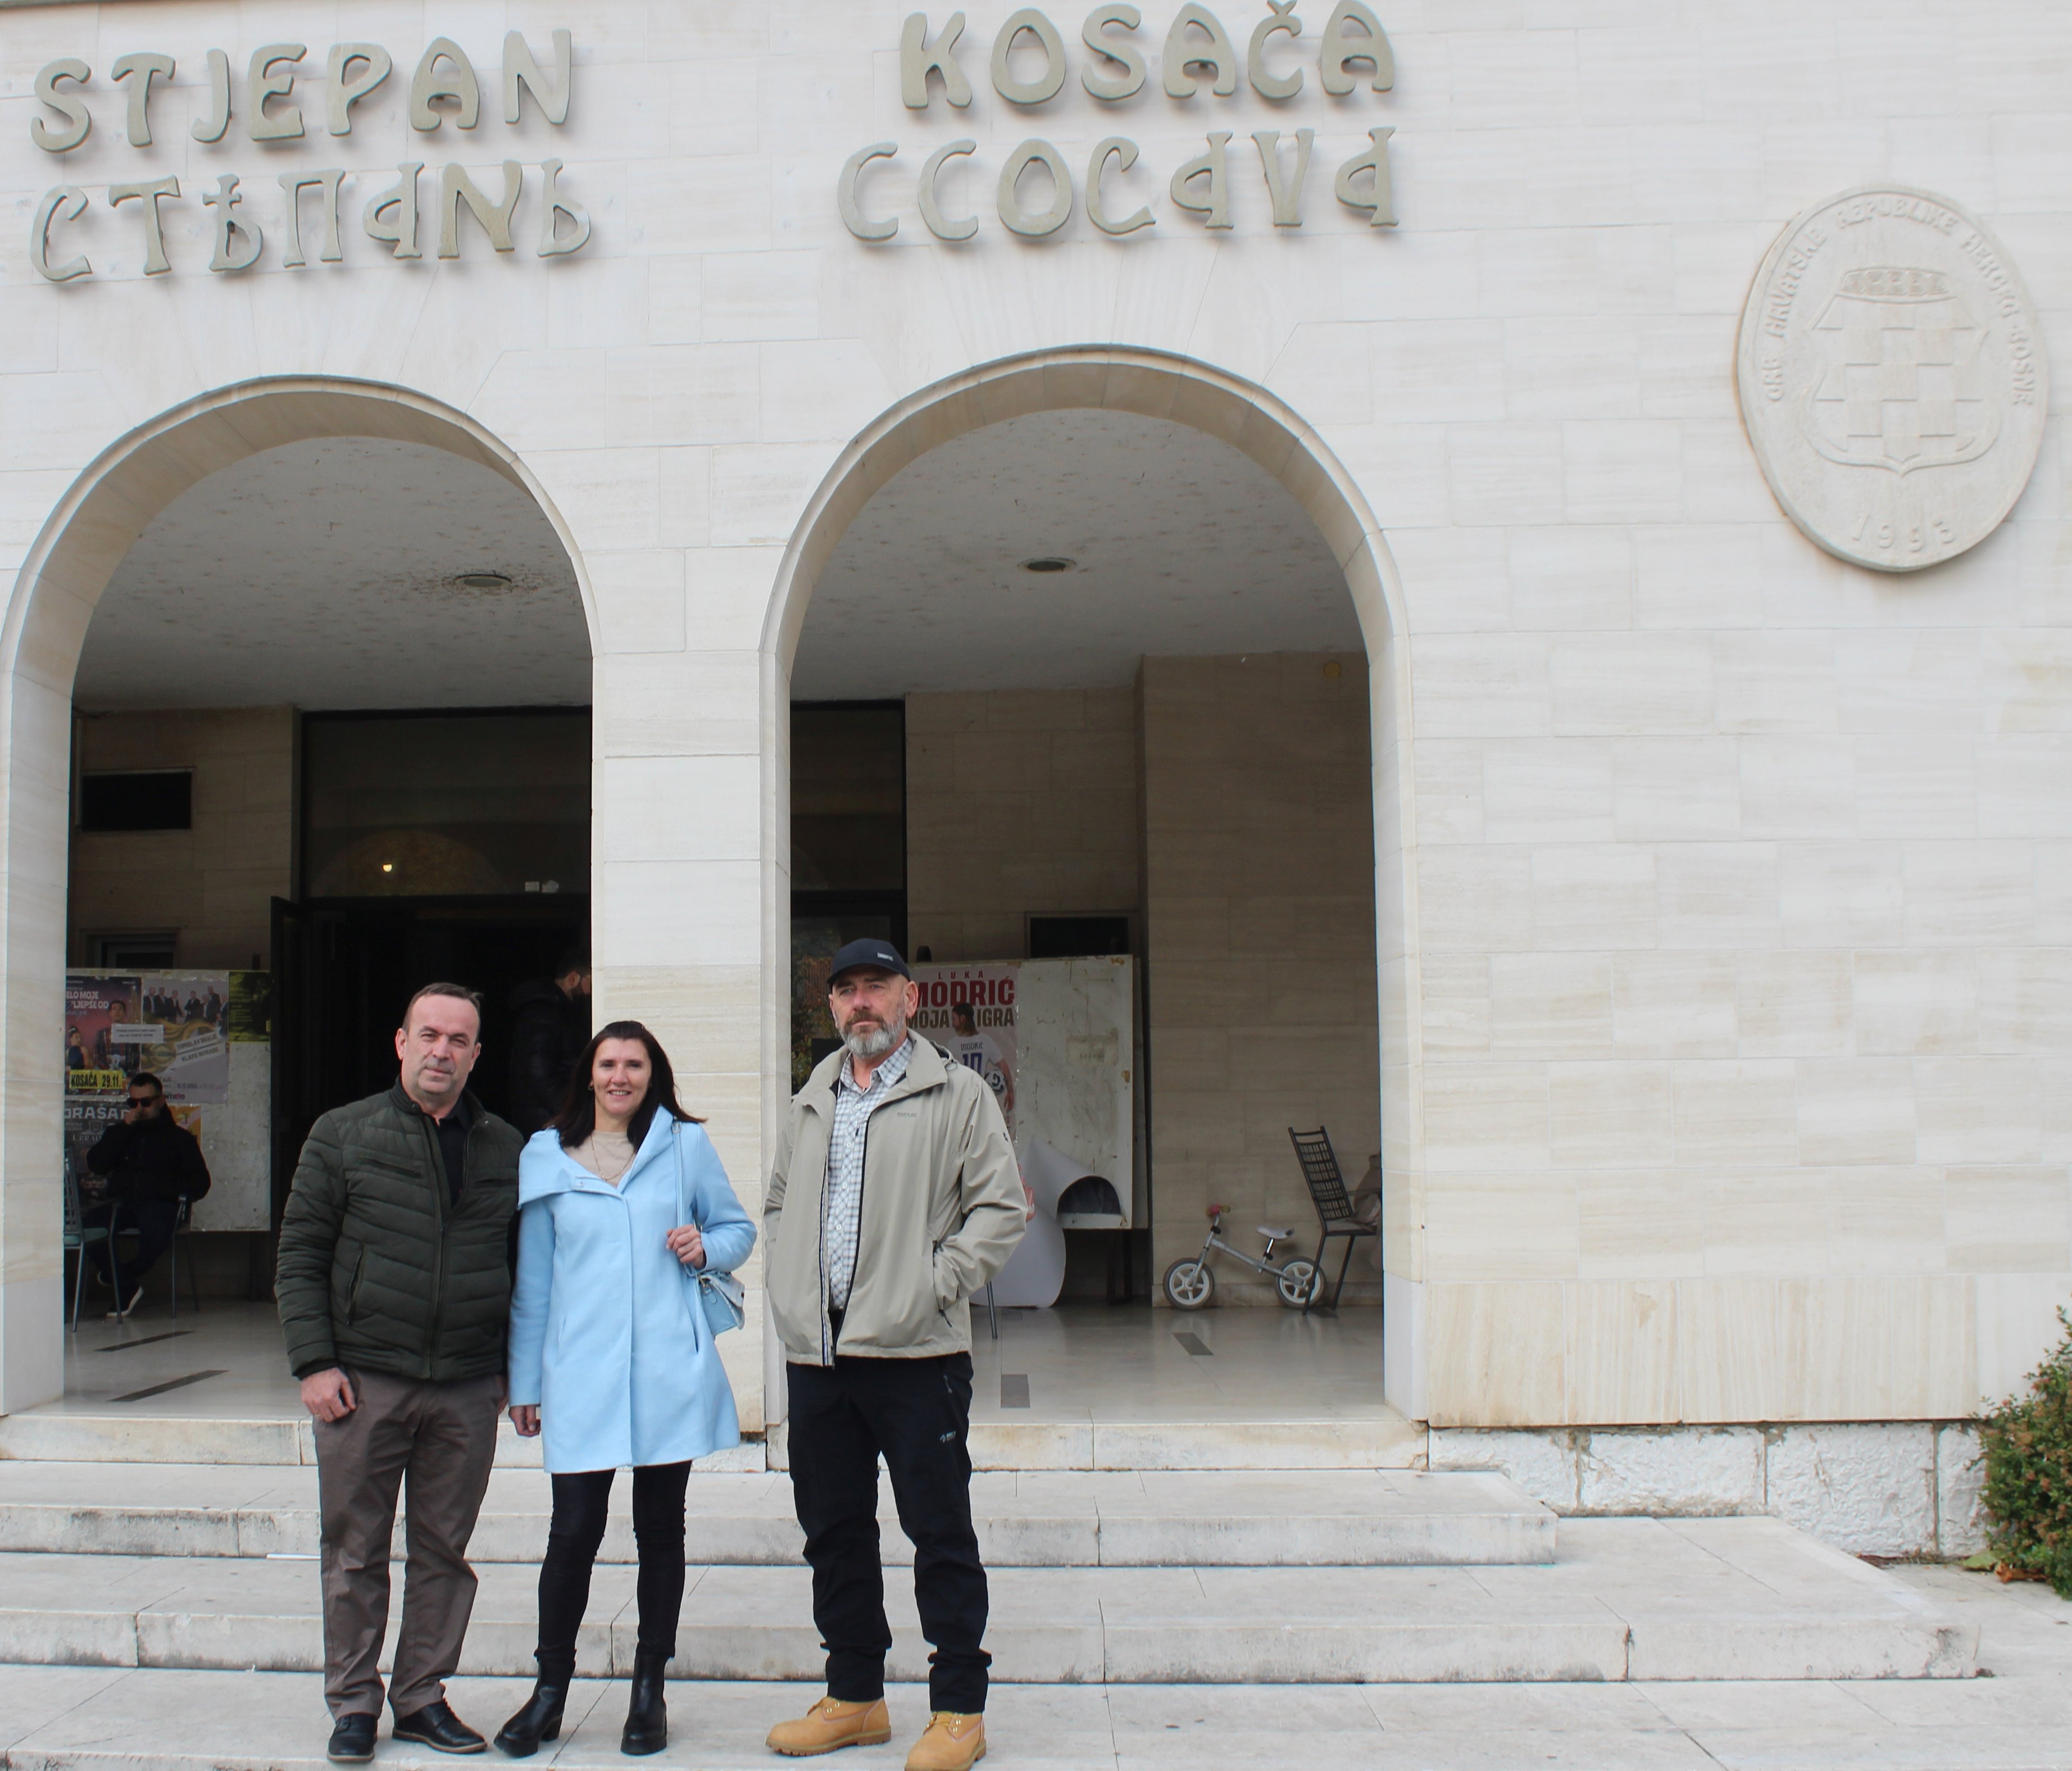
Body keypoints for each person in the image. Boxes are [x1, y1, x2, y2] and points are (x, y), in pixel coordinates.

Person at [762, 939, 1025, 1771]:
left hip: (917, 1354)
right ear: (831, 1006)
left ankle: (959, 1709)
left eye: (876, 986)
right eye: (846, 990)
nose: (861, 1002)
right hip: (820, 1357)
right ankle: (855, 1697)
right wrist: (788, 1285)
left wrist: (933, 1283)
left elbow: (1000, 1209)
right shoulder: (814, 1096)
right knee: (834, 1531)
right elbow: (778, 1204)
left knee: (939, 1531)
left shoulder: (957, 1092)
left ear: (909, 998)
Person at [275, 983, 525, 1765]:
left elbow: (527, 1266)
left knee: (445, 1552)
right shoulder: (342, 1133)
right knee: (355, 1550)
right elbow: (300, 1253)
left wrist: (515, 1369)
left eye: (458, 1040)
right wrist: (314, 1362)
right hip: (364, 1380)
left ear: (476, 1054)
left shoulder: (506, 1146)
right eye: (430, 1035)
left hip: (467, 1386)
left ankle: (421, 1697)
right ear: (402, 1042)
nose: (442, 1050)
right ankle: (354, 1703)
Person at [498, 1020, 756, 1759]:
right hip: (580, 1373)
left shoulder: (684, 1145)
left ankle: (650, 1691)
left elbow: (738, 1230)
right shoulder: (546, 1153)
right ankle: (550, 1691)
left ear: (653, 1074)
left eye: (634, 1064)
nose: (620, 1076)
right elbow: (534, 1283)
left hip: (667, 1369)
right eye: (608, 1063)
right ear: (588, 1072)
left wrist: (705, 1245)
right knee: (572, 1531)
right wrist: (525, 1381)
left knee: (661, 1530)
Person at [83, 1071, 210, 1316]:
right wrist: (124, 1130)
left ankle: (121, 1278)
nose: (139, 1108)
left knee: (156, 1232)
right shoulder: (121, 1133)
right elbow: (97, 1164)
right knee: (90, 1226)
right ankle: (126, 1286)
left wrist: (168, 1190)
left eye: (146, 1102)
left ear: (161, 1101)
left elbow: (201, 1182)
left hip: (160, 1203)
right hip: (123, 1204)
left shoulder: (179, 1139)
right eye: (133, 1103)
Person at [507, 947, 592, 1133]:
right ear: (573, 979)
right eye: (591, 982)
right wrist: (569, 1111)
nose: (591, 991)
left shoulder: (562, 1011)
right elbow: (539, 1074)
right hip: (545, 1118)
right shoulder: (542, 1014)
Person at [947, 1001, 1014, 1119]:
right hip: (979, 1098)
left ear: (963, 1018)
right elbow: (1004, 1066)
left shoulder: (953, 1044)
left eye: (954, 1019)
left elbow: (945, 1073)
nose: (952, 1024)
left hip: (960, 1099)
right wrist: (1010, 1091)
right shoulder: (985, 1041)